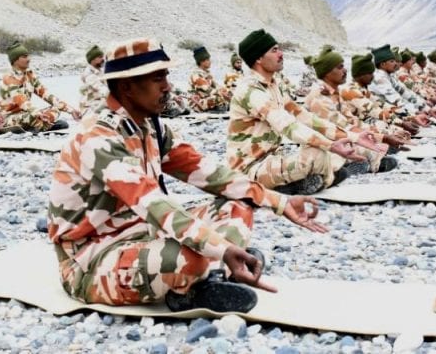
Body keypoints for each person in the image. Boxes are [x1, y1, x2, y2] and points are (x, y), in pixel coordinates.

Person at [48, 37, 328, 313]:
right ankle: (207, 275)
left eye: (166, 76)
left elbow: (212, 174)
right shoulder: (98, 137)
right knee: (193, 259)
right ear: (127, 87)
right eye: (158, 78)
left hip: (141, 232)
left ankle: (210, 276)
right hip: (92, 258)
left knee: (237, 206)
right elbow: (152, 203)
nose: (167, 86)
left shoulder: (151, 128)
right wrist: (221, 248)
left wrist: (278, 202)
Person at [227, 29, 368, 195]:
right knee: (317, 153)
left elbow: (304, 117)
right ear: (258, 58)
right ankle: (296, 186)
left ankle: (314, 180)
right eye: (274, 50)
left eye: (279, 49)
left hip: (271, 160)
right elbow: (287, 125)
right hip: (249, 170)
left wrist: (352, 136)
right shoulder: (251, 91)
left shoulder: (274, 86)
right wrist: (330, 145)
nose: (281, 54)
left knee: (326, 149)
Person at [302, 46, 399, 173]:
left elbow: (351, 121)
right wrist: (378, 137)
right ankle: (340, 168)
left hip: (341, 138)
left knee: (373, 145)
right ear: (327, 72)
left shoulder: (335, 93)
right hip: (325, 145)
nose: (345, 70)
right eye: (340, 67)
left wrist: (375, 135)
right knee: (367, 148)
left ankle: (356, 163)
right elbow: (340, 128)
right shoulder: (319, 98)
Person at [0, 41, 81, 131]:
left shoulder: (29, 75)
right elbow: (21, 100)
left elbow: (46, 95)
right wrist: (36, 113)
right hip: (8, 119)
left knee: (56, 108)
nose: (28, 59)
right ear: (15, 61)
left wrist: (71, 110)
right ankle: (43, 125)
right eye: (24, 57)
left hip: (28, 115)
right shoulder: (9, 78)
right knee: (32, 116)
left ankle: (41, 125)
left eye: (28, 56)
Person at [340, 53, 419, 138]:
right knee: (388, 127)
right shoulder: (351, 91)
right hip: (353, 127)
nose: (373, 76)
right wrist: (402, 123)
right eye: (370, 73)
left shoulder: (362, 89)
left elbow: (382, 104)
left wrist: (409, 117)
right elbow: (374, 110)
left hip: (364, 122)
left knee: (393, 126)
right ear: (360, 75)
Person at [187, 45, 231, 113]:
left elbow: (216, 86)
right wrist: (223, 94)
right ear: (201, 62)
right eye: (207, 60)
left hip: (206, 98)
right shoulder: (196, 75)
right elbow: (209, 90)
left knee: (229, 94)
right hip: (197, 102)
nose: (210, 62)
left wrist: (227, 92)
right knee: (219, 98)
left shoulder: (207, 74)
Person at [78, 45, 109, 116]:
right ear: (92, 60)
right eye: (100, 57)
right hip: (90, 106)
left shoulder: (101, 71)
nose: (103, 59)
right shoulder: (88, 73)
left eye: (103, 57)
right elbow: (100, 88)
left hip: (100, 102)